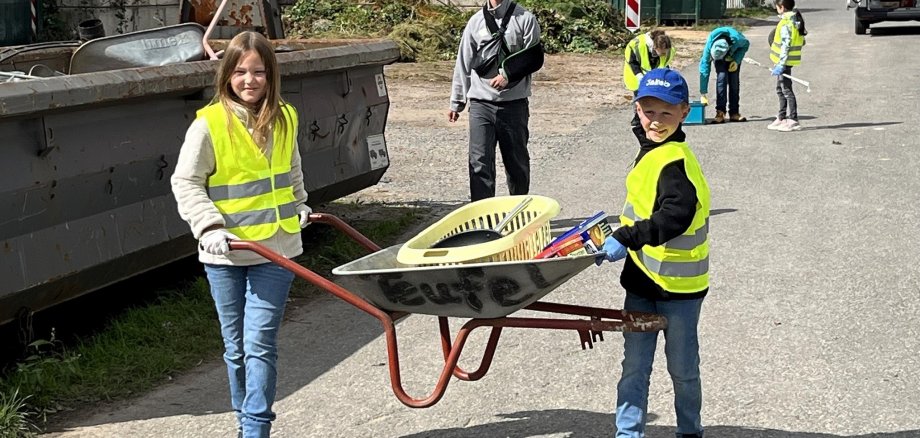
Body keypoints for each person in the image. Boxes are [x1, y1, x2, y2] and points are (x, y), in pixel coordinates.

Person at [170, 31, 311, 438]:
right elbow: (186, 182)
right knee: (236, 349)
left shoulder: (286, 117)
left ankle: (255, 431)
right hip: (226, 252)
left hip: (275, 249)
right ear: (227, 75)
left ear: (271, 75)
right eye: (240, 72)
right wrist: (209, 226)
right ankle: (243, 422)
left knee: (260, 344)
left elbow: (292, 170)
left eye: (259, 72)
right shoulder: (209, 125)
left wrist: (301, 203)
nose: (250, 80)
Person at [598, 68, 711, 438]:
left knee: (682, 369)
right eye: (648, 111)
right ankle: (628, 433)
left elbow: (675, 215)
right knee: (634, 365)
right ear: (637, 109)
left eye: (666, 113)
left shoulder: (674, 162)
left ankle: (689, 431)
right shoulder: (650, 149)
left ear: (684, 112)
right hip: (642, 282)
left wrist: (627, 237)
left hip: (680, 291)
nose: (656, 121)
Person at [448, 0, 543, 202]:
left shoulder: (525, 19)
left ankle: (517, 209)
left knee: (517, 164)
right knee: (479, 163)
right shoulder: (475, 22)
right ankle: (483, 213)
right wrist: (456, 102)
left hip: (514, 105)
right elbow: (463, 63)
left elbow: (534, 58)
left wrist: (508, 75)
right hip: (480, 104)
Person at [769, 0, 807, 132]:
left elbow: (786, 44)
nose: (776, 9)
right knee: (780, 89)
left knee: (786, 90)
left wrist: (781, 63)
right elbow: (802, 41)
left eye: (776, 7)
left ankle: (793, 119)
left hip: (784, 62)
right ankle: (781, 117)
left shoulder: (787, 22)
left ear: (782, 7)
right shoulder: (794, 20)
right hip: (784, 62)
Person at [623, 29, 675, 127]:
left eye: (665, 52)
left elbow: (665, 64)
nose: (664, 55)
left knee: (654, 96)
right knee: (640, 96)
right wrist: (639, 76)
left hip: (653, 73)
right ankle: (637, 118)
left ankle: (652, 116)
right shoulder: (637, 45)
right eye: (662, 53)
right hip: (636, 72)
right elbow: (632, 62)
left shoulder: (669, 50)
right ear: (655, 47)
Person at [699, 26, 750, 124]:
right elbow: (704, 70)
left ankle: (734, 113)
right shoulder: (709, 46)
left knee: (734, 82)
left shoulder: (738, 39)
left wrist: (736, 60)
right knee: (721, 79)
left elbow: (745, 45)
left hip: (734, 54)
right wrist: (703, 92)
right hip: (719, 57)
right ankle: (720, 112)